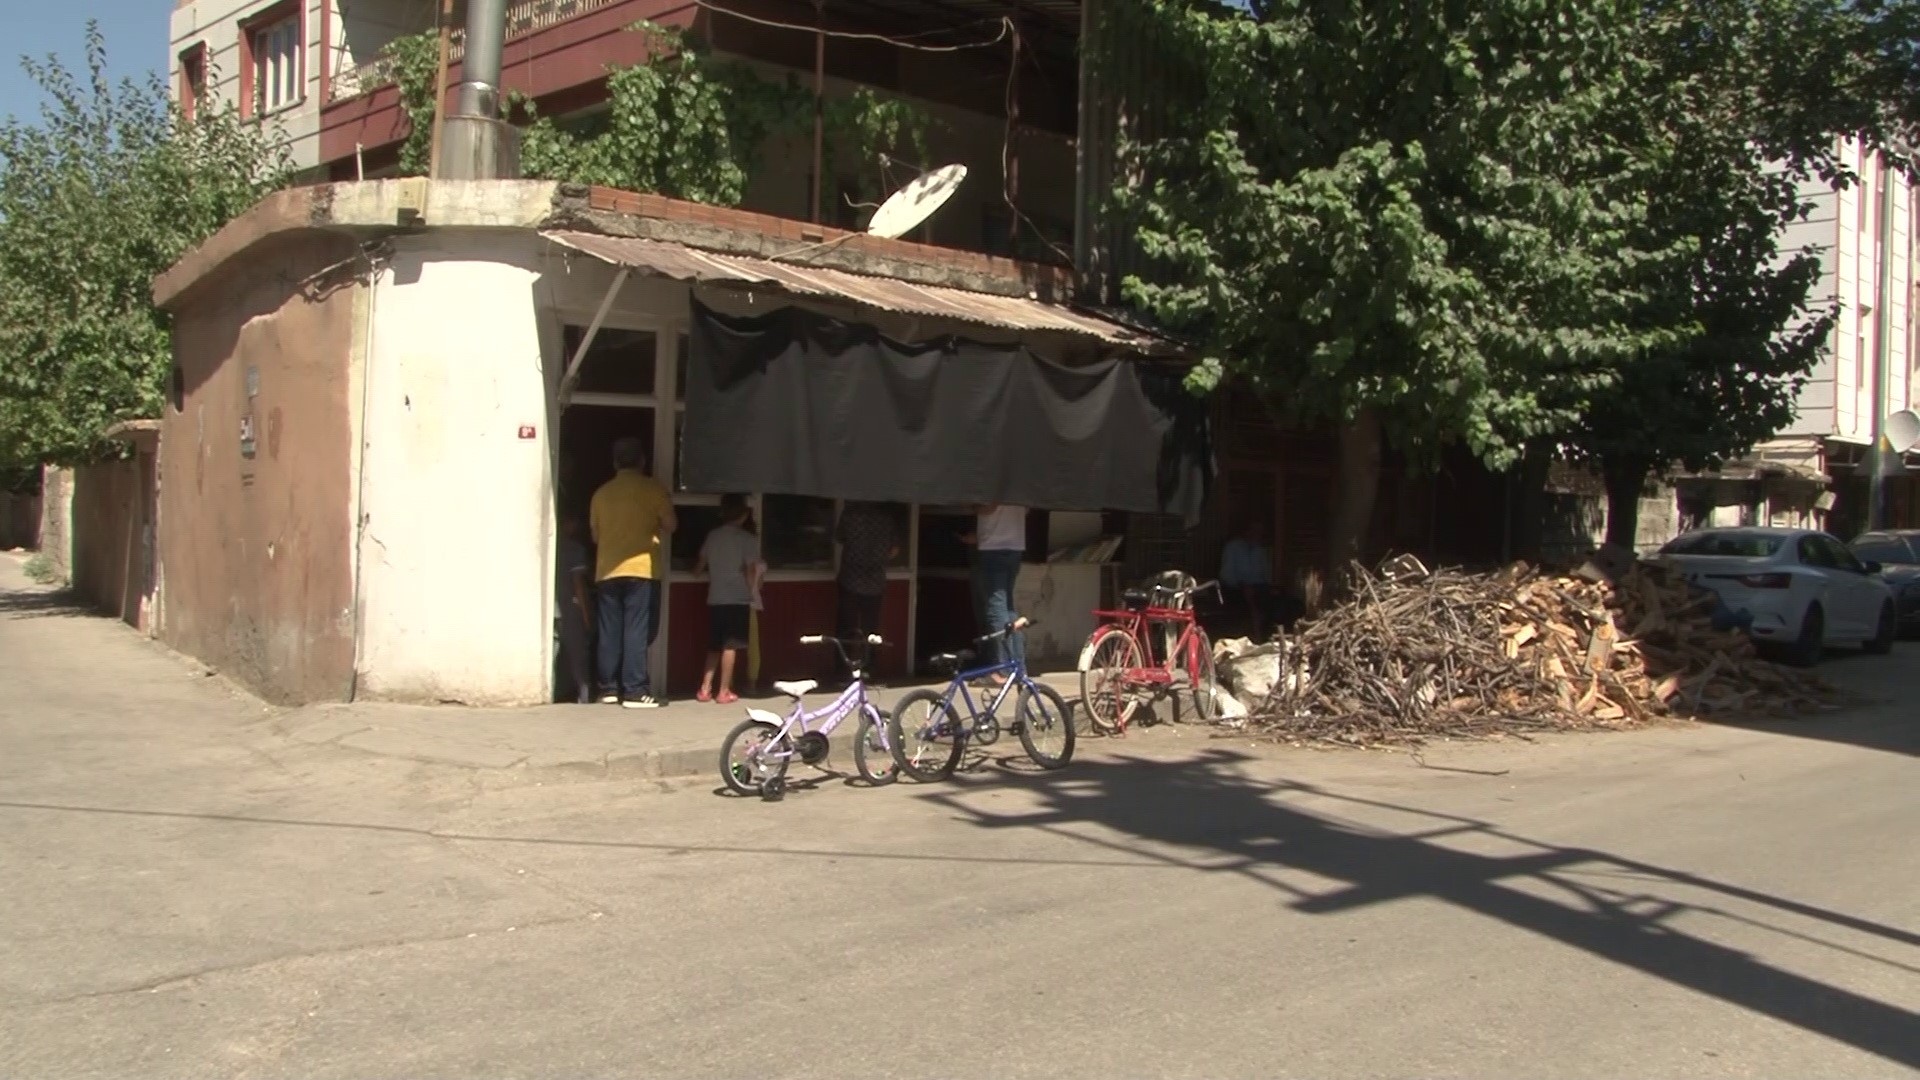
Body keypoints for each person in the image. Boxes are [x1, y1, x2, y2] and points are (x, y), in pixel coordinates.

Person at [590, 437, 675, 708]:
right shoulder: (653, 490)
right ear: (642, 461)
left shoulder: (601, 494)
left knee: (609, 631)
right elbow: (672, 525)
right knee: (636, 630)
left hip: (606, 569)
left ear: (615, 463)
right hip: (641, 570)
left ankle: (608, 689)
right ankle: (636, 690)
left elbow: (594, 535)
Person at [696, 494, 760, 704]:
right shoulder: (747, 540)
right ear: (743, 515)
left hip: (715, 596)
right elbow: (751, 569)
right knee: (730, 645)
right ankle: (723, 691)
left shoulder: (713, 536)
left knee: (714, 645)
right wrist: (752, 590)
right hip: (737, 596)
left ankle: (705, 689)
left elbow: (699, 566)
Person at [834, 501, 898, 680]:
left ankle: (842, 671)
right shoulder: (887, 518)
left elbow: (839, 538)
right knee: (871, 629)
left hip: (850, 578)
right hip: (875, 581)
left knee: (846, 627)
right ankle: (869, 670)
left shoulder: (850, 514)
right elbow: (894, 550)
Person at [968, 504, 1027, 676]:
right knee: (1009, 608)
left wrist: (971, 504)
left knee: (997, 608)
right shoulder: (1023, 481)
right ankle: (1018, 667)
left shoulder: (997, 480)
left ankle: (1003, 670)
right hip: (1015, 545)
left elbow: (988, 507)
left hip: (994, 546)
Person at [1220, 518, 1296, 636]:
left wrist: (1272, 587)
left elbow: (1266, 574)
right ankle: (1258, 636)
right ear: (1246, 531)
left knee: (1284, 600)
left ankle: (1280, 635)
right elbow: (1227, 575)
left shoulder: (1259, 549)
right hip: (1237, 589)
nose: (1257, 534)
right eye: (1254, 530)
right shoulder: (1233, 547)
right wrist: (1242, 586)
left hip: (1260, 587)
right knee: (1253, 599)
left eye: (1260, 531)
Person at [556, 513, 594, 704]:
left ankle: (558, 692)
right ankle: (583, 695)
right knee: (577, 653)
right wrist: (586, 615)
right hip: (571, 606)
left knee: (559, 654)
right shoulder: (575, 550)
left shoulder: (552, 547)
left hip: (555, 607)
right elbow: (578, 583)